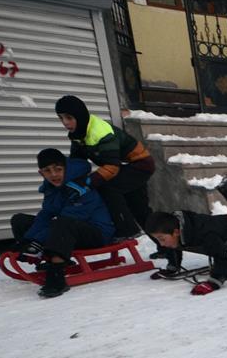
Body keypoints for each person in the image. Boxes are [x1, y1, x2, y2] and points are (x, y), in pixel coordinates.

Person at [145, 173, 227, 295]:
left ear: (176, 232)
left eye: (162, 239)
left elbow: (223, 258)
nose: (161, 244)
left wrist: (214, 282)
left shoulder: (206, 235)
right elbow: (173, 246)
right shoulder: (179, 225)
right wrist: (172, 268)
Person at [9, 148, 115, 298]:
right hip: (69, 231)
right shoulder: (51, 188)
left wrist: (37, 241)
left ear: (66, 167)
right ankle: (46, 258)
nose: (53, 175)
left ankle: (57, 275)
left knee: (63, 222)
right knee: (20, 220)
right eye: (47, 171)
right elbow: (46, 215)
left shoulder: (80, 186)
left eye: (58, 169)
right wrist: (27, 240)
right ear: (41, 173)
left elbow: (69, 218)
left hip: (97, 233)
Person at [54, 95, 154, 239]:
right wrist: (64, 179)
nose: (65, 122)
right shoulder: (78, 134)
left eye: (69, 117)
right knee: (140, 209)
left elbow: (112, 167)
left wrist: (87, 182)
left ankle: (127, 230)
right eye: (61, 118)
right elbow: (77, 163)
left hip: (140, 164)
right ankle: (162, 243)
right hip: (124, 166)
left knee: (107, 187)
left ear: (80, 116)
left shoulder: (100, 132)